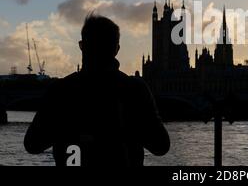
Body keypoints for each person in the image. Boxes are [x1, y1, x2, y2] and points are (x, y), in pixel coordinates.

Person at [24, 14, 170, 166]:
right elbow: (161, 147)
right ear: (116, 49)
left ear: (82, 46)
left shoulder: (60, 90)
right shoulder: (134, 89)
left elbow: (32, 145)